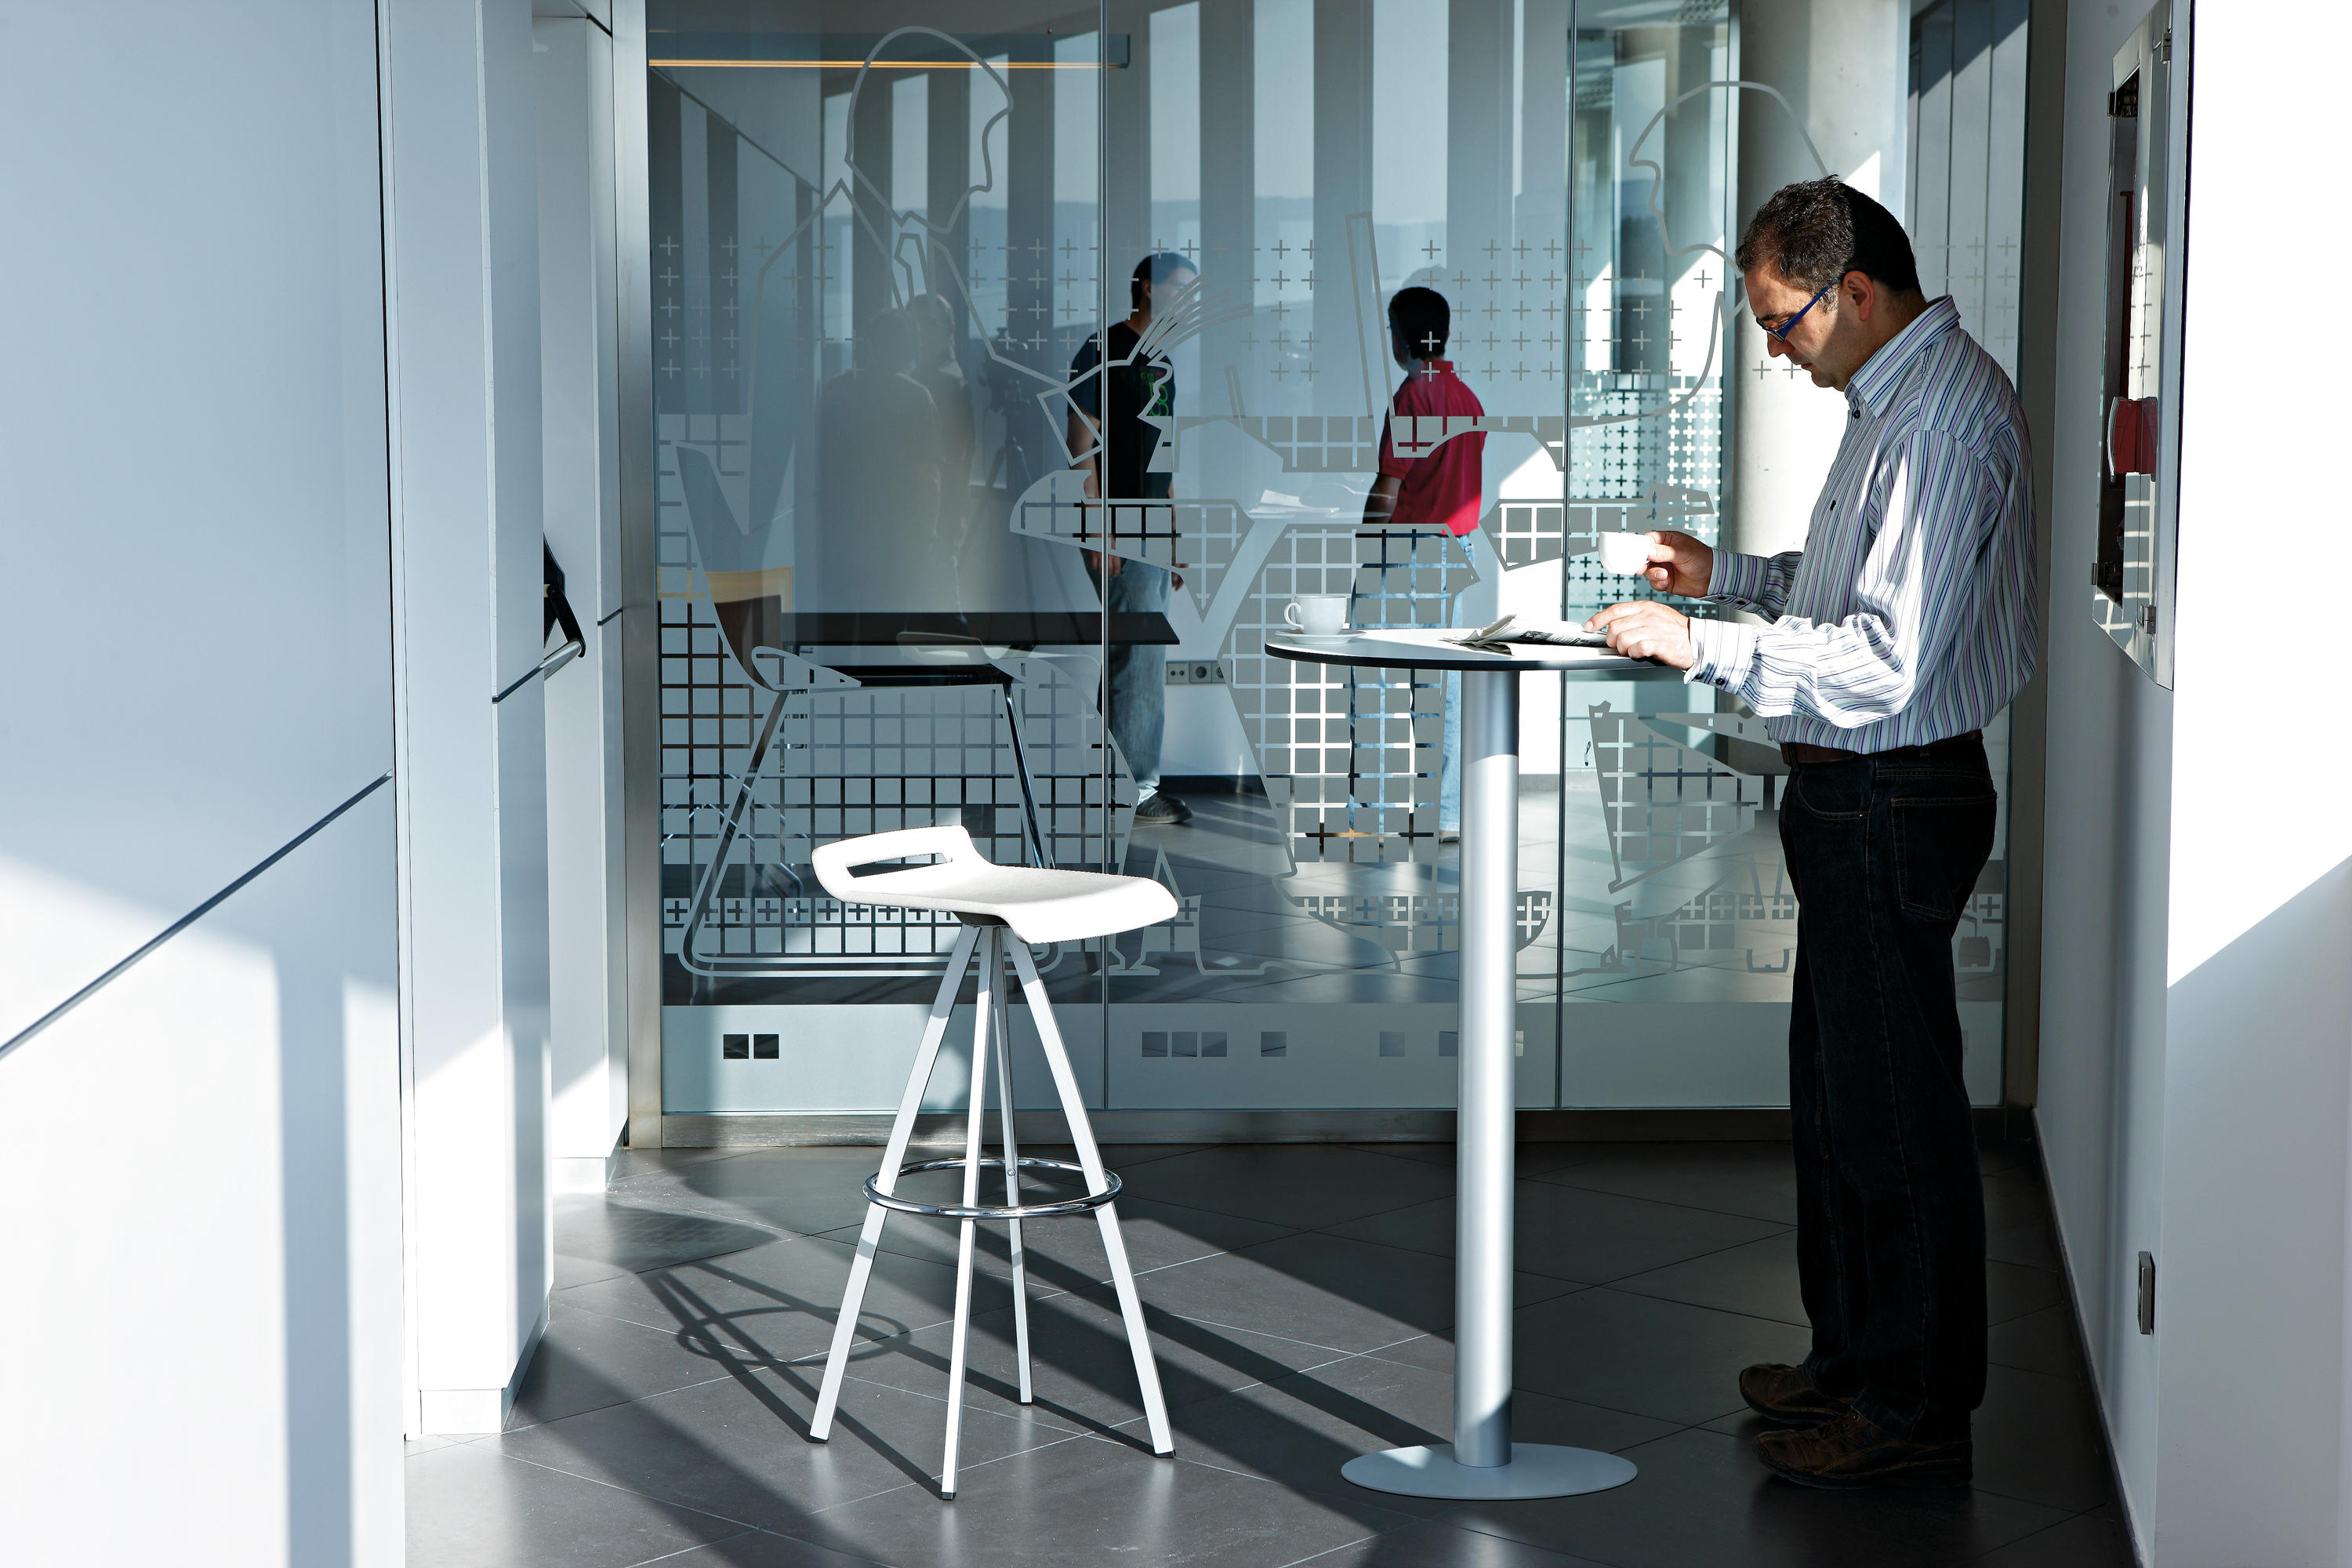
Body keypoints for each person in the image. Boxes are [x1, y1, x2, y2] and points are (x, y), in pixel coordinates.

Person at [1591, 178, 2037, 1490]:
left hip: (1894, 793)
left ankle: (1910, 1407)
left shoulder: (1939, 422)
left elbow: (1886, 661)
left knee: (1891, 1116)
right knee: (1844, 1101)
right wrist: (1724, 580)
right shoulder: (1896, 402)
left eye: (1781, 324)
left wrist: (1704, 646)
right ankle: (1851, 1364)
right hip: (1861, 796)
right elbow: (1839, 598)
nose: (1777, 354)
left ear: (1855, 293)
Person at [1069, 252, 1196, 826]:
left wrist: (1173, 534)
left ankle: (1109, 783)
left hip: (1151, 526)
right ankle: (1135, 790)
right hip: (1116, 523)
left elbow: (1161, 456)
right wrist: (1098, 526)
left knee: (1132, 653)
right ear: (1146, 287)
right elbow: (1080, 443)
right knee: (1139, 654)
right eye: (1179, 289)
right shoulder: (1104, 349)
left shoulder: (1162, 360)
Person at [1362, 286, 1486, 841]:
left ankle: (1373, 811)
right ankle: (1447, 811)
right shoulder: (1466, 397)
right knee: (1439, 685)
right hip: (1455, 548)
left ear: (1400, 336)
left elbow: (1389, 487)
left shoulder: (1414, 394)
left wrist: (1369, 545)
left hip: (1408, 549)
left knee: (1372, 676)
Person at [817, 307, 941, 611]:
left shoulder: (834, 390)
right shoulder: (917, 398)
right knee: (887, 628)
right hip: (895, 541)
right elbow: (928, 477)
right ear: (909, 347)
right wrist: (927, 537)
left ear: (871, 344)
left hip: (840, 535)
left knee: (837, 627)